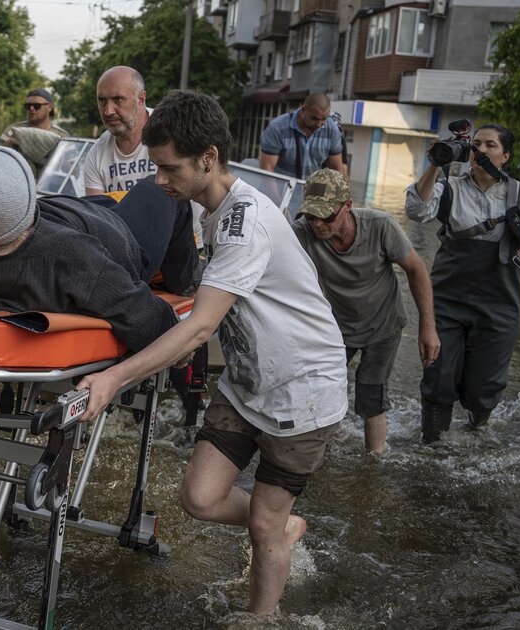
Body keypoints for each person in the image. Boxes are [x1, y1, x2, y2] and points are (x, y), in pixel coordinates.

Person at [77, 90, 348, 616]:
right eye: (154, 167)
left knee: (262, 525)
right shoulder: (209, 208)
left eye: (167, 169)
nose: (157, 182)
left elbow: (201, 328)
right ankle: (283, 523)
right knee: (199, 499)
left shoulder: (244, 222)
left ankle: (258, 619)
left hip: (304, 391)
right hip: (248, 382)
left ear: (209, 158)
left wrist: (114, 380)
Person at [0, 146, 199, 353]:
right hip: (125, 241)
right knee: (164, 187)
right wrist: (185, 337)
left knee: (100, 203)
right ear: (24, 212)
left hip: (76, 217)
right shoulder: (67, 255)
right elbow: (147, 320)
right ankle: (187, 279)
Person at [404, 123, 520, 443]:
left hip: (500, 304)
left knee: (484, 386)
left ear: (505, 156)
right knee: (438, 376)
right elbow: (416, 210)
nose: (480, 150)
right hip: (448, 300)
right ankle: (432, 448)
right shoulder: (451, 187)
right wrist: (435, 164)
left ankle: (475, 436)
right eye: (475, 145)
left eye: (490, 145)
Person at [290, 168, 441, 453]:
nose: (318, 225)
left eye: (327, 216)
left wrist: (428, 327)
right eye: (311, 216)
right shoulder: (301, 233)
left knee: (371, 396)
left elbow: (417, 269)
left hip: (383, 325)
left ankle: (375, 461)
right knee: (317, 390)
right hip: (336, 327)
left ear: (347, 207)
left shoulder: (380, 226)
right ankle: (315, 455)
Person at [84, 66, 154, 195]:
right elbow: (96, 212)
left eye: (118, 99)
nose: (108, 111)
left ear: (141, 99)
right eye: (102, 101)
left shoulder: (171, 133)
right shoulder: (96, 153)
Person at [258, 93, 347, 180]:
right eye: (314, 118)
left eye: (324, 119)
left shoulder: (331, 129)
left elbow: (337, 170)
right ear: (303, 110)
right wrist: (275, 195)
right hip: (281, 190)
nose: (319, 124)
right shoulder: (277, 128)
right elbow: (267, 170)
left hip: (312, 191)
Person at [0, 88, 69, 174]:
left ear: (50, 107)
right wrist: (9, 143)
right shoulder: (12, 130)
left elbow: (74, 172)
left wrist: (57, 153)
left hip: (45, 184)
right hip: (16, 179)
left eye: (37, 106)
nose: (32, 109)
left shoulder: (63, 137)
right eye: (28, 106)